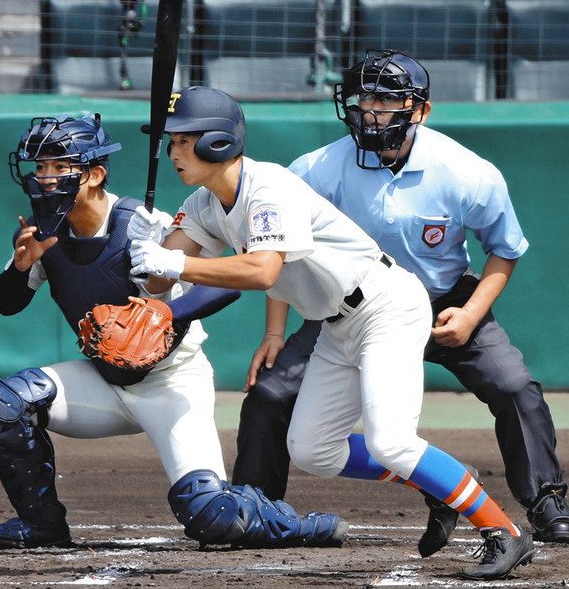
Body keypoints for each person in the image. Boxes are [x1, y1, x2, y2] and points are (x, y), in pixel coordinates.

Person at [128, 84, 536, 580]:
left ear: (217, 142)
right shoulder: (205, 202)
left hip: (386, 305)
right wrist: (147, 245)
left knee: (391, 442)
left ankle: (506, 533)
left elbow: (261, 271)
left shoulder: (268, 187)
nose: (172, 151)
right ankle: (438, 481)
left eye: (182, 140)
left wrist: (173, 261)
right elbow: (158, 278)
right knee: (313, 451)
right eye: (170, 142)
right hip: (336, 324)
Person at [232, 49, 569, 554]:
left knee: (515, 386)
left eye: (388, 100)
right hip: (347, 308)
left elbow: (504, 251)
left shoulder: (467, 172)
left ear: (421, 111)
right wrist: (275, 333)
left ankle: (547, 503)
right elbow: (278, 253)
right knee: (270, 393)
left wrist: (472, 313)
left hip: (444, 302)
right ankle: (254, 508)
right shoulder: (314, 169)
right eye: (365, 98)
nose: (372, 112)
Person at [0, 113, 348, 551]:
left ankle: (297, 525)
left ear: (95, 174)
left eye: (60, 167)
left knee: (210, 516)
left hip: (172, 381)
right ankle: (41, 525)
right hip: (103, 380)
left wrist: (162, 312)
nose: (45, 178)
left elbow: (219, 290)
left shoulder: (139, 223)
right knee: (7, 402)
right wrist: (22, 265)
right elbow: (8, 304)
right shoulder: (44, 231)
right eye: (39, 167)